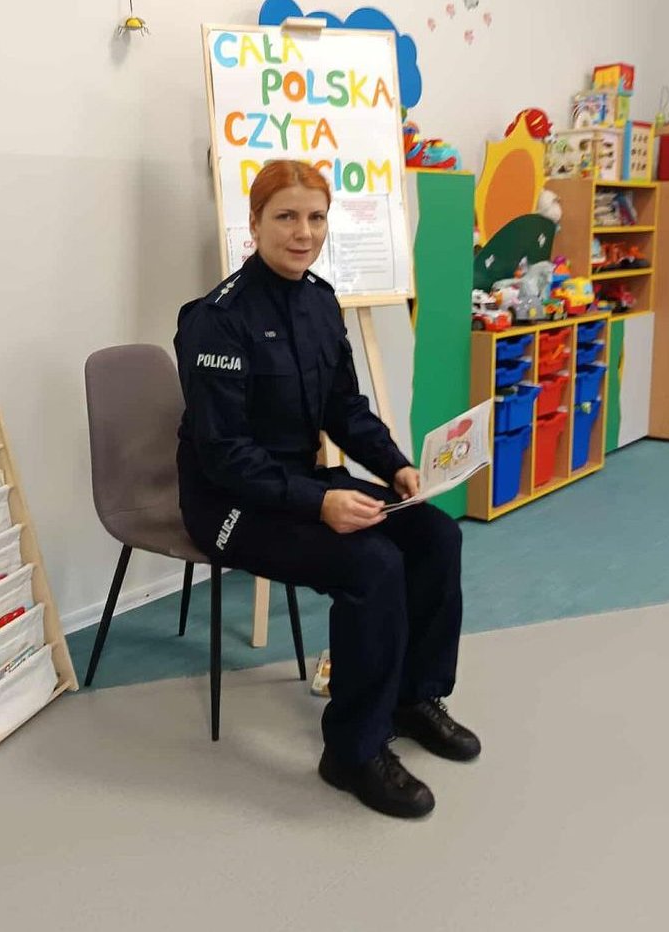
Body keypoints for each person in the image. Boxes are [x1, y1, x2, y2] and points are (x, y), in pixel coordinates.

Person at [174, 159, 480, 820]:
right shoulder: (215, 320)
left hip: (301, 481)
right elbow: (224, 456)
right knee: (372, 564)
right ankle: (352, 751)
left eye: (316, 217)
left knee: (434, 535)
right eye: (286, 216)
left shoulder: (318, 300)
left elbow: (344, 408)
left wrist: (395, 466)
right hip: (229, 504)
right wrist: (320, 503)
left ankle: (412, 697)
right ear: (254, 223)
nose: (303, 232)